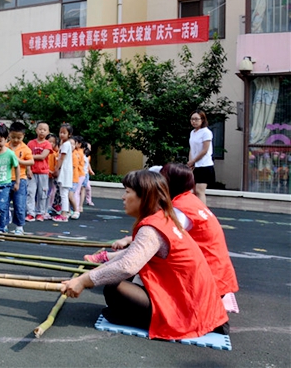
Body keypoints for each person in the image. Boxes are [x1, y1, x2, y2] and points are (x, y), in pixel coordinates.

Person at [61, 170, 229, 340]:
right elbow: (127, 257)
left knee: (113, 288)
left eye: (127, 192)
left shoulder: (152, 228)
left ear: (145, 196)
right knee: (116, 279)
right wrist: (84, 278)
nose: (123, 197)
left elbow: (126, 267)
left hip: (190, 310)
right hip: (200, 305)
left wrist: (83, 281)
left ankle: (147, 319)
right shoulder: (164, 218)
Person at [161, 163, 238, 297]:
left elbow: (161, 240)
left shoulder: (180, 208)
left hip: (206, 283)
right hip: (219, 277)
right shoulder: (191, 201)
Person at [7, 121, 33, 234]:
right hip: (6, 178)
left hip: (20, 179)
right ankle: (3, 224)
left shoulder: (25, 148)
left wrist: (19, 161)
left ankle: (19, 226)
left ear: (23, 136)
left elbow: (31, 161)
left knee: (19, 204)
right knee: (4, 204)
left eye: (19, 137)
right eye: (13, 137)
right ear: (9, 134)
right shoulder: (5, 146)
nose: (16, 140)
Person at [27, 122, 52, 222]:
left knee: (42, 193)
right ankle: (30, 212)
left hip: (43, 172)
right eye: (40, 129)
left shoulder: (47, 144)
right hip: (32, 172)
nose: (42, 131)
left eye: (44, 130)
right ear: (36, 130)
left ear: (48, 132)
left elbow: (42, 156)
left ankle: (40, 212)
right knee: (30, 192)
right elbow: (26, 158)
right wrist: (28, 169)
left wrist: (31, 156)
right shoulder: (30, 143)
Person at [188, 110, 215, 205]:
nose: (193, 121)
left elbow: (204, 150)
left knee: (200, 191)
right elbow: (192, 149)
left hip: (204, 165)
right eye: (192, 119)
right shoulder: (192, 132)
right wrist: (191, 162)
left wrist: (194, 161)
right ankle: (195, 209)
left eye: (196, 119)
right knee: (193, 191)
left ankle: (202, 210)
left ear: (202, 120)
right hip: (195, 166)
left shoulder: (206, 132)